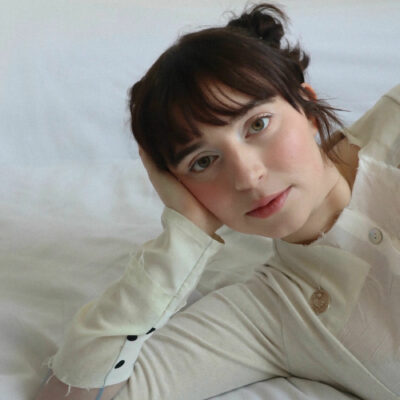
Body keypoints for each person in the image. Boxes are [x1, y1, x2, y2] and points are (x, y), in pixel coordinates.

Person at [36, 3, 400, 400]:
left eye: (258, 124)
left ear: (306, 108)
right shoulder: (269, 315)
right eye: (203, 162)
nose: (247, 176)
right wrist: (183, 236)